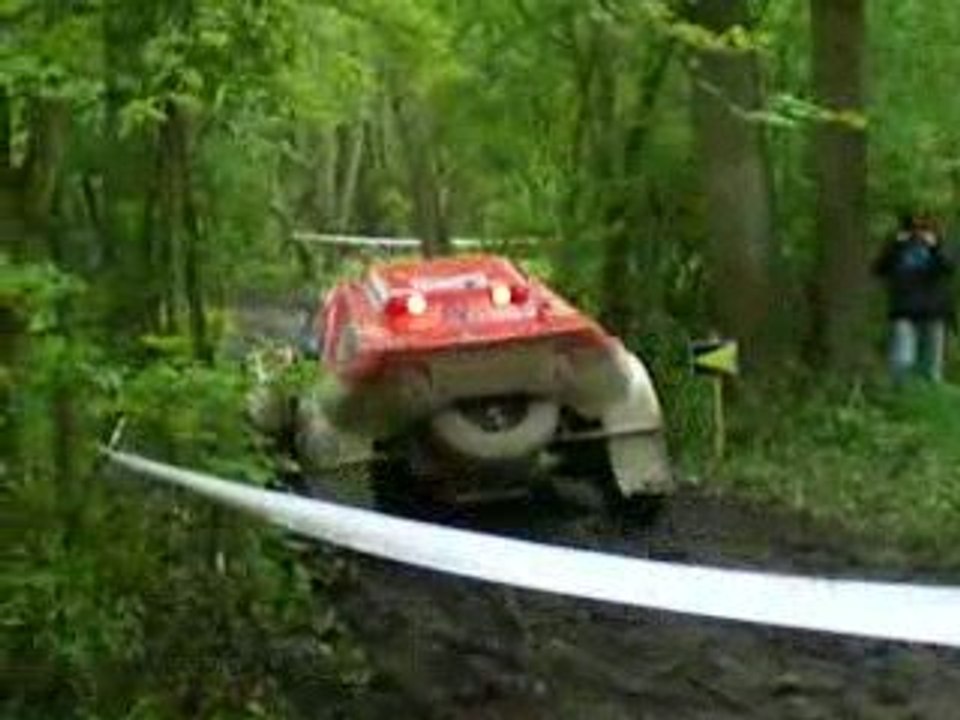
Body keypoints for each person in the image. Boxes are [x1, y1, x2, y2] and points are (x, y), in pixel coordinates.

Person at [872, 212, 955, 383]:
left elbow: (947, 268)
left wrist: (933, 246)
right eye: (913, 227)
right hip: (903, 311)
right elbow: (878, 269)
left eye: (923, 227)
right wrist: (896, 244)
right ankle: (899, 395)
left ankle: (929, 402)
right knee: (902, 360)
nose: (918, 232)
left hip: (933, 312)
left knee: (932, 369)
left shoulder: (938, 245)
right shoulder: (897, 247)